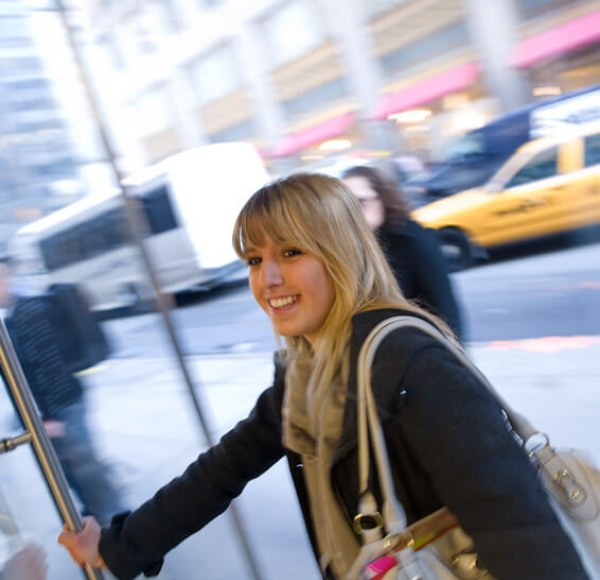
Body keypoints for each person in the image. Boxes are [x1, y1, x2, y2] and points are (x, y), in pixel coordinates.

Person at [58, 173, 586, 579]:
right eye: (252, 258)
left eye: (290, 252)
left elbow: (520, 530)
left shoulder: (409, 361)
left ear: (340, 253)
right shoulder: (309, 367)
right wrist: (116, 547)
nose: (267, 279)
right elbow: (224, 468)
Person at [0, 259, 126, 527]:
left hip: (65, 404)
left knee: (84, 464)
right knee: (76, 464)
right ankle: (98, 512)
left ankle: (116, 520)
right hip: (58, 406)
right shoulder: (15, 317)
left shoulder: (29, 314)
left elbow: (50, 366)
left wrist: (53, 418)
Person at [341, 164, 464, 341]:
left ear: (382, 199)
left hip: (423, 349)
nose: (353, 213)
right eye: (346, 206)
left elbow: (445, 307)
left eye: (360, 202)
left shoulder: (414, 240)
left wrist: (453, 356)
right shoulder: (353, 246)